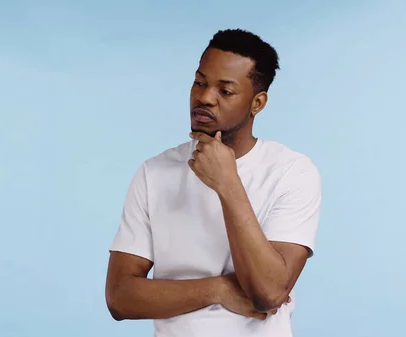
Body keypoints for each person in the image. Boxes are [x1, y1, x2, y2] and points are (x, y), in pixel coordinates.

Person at [105, 28, 322, 337]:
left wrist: (227, 183)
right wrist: (218, 290)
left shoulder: (292, 172)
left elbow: (269, 292)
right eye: (200, 82)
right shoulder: (154, 172)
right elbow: (120, 298)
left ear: (257, 103)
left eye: (225, 91)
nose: (205, 97)